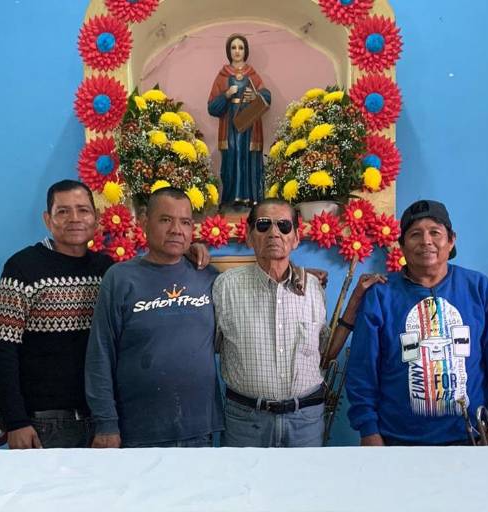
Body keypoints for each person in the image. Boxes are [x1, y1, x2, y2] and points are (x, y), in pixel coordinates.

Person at [345, 199, 488, 446]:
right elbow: (362, 369)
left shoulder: (478, 288)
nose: (426, 241)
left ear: (451, 240)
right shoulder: (381, 295)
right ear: (402, 246)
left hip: (471, 439)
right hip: (397, 442)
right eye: (415, 234)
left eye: (435, 233)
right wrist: (368, 429)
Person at [85, 187, 222, 448]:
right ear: (144, 222)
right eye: (166, 220)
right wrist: (106, 423)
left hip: (198, 430)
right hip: (137, 430)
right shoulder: (120, 278)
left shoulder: (208, 276)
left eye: (185, 222)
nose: (176, 230)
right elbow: (100, 354)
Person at [0, 180, 113, 449]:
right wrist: (16, 421)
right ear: (48, 219)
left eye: (83, 210)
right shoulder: (23, 268)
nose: (74, 218)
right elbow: (3, 350)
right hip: (43, 423)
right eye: (63, 211)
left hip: (99, 421)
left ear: (95, 217)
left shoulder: (106, 269)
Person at [213, 198, 328, 447]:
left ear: (296, 238)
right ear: (249, 236)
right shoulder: (225, 287)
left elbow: (321, 348)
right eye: (264, 225)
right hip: (245, 422)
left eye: (284, 226)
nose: (274, 233)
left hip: (305, 421)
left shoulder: (313, 288)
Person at [208, 33, 271, 207]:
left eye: (241, 48)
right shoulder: (222, 75)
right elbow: (212, 106)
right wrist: (226, 95)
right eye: (233, 47)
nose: (237, 51)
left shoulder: (253, 75)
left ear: (246, 51)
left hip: (249, 124)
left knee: (248, 158)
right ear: (228, 51)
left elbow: (266, 96)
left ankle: (251, 199)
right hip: (230, 126)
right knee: (232, 157)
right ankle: (230, 199)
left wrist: (255, 96)